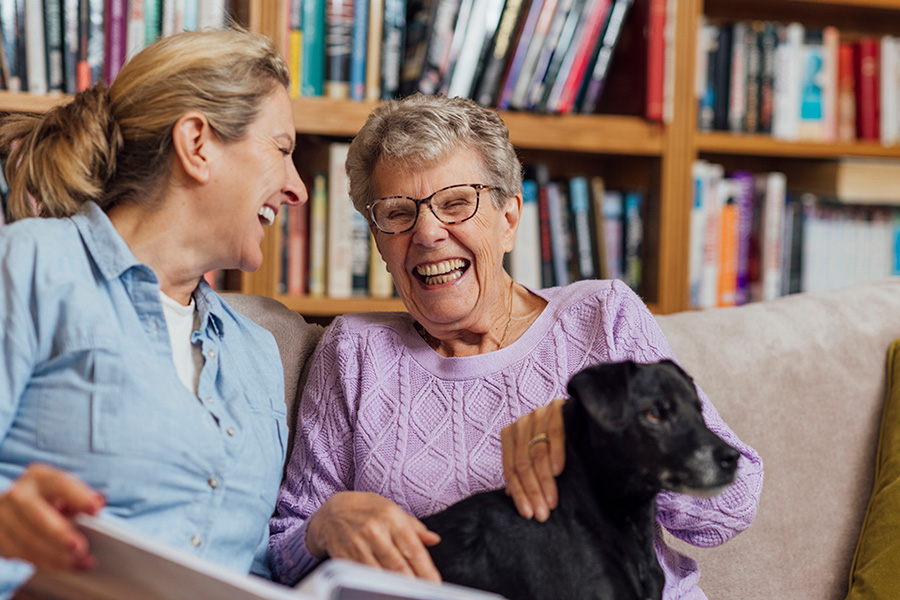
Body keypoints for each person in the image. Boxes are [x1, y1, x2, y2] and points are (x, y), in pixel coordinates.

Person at [269, 93, 764, 598]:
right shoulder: (354, 352)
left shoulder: (603, 316)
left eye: (456, 203)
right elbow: (282, 552)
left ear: (509, 218)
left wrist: (599, 436)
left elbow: (731, 506)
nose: (427, 233)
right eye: (397, 213)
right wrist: (325, 525)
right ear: (378, 241)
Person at [0, 28, 306, 596]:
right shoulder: (33, 264)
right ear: (197, 143)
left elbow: (254, 559)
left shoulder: (257, 351)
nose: (298, 189)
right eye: (283, 150)